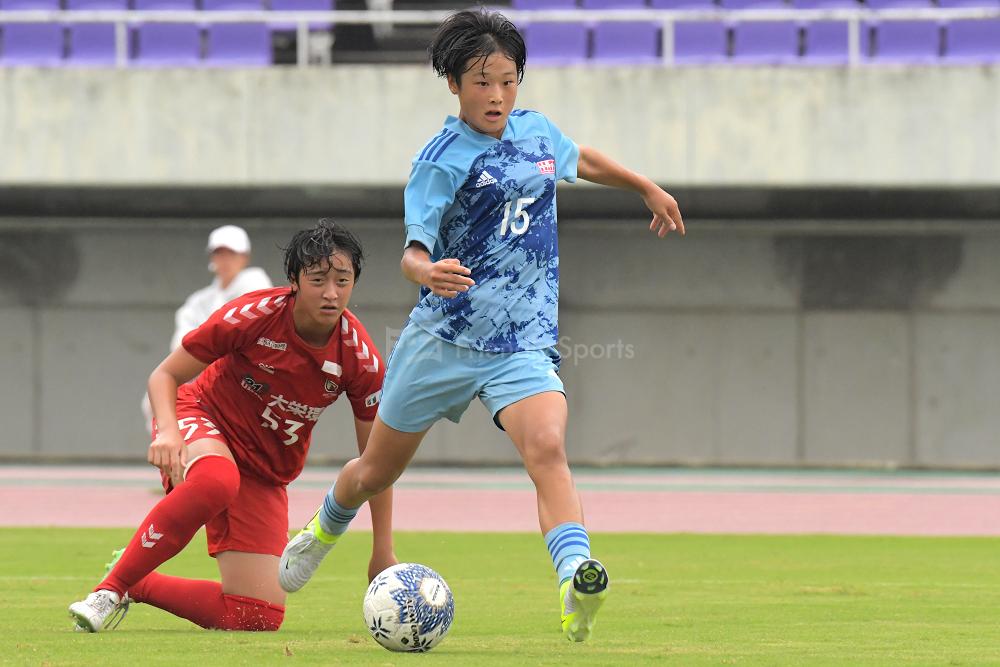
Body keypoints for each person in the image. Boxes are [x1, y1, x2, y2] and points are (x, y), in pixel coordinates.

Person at [279, 9, 685, 643]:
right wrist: (427, 271)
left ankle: (574, 580)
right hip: (442, 340)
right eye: (481, 82)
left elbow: (583, 159)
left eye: (508, 81)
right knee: (376, 472)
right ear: (453, 84)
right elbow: (412, 252)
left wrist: (645, 187)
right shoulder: (441, 160)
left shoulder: (537, 133)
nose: (497, 95)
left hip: (521, 344)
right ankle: (325, 526)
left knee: (547, 447)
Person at [69, 220, 397, 632]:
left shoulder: (360, 359)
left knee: (258, 615)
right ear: (294, 281)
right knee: (217, 479)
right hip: (202, 417)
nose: (331, 293)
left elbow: (375, 463)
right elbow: (164, 375)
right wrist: (168, 431)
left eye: (342, 281)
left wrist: (382, 549)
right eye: (318, 280)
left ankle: (137, 581)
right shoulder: (253, 314)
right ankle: (108, 591)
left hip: (264, 471)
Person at [141, 225, 272, 431]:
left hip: (245, 376)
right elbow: (182, 343)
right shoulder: (199, 301)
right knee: (155, 400)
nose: (225, 260)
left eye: (231, 254)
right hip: (202, 374)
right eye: (219, 254)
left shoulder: (257, 288)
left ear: (244, 257)